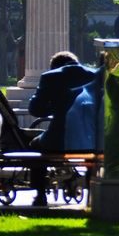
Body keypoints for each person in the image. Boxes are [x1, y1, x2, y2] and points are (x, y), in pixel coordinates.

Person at [28, 51, 98, 205]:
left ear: (54, 66)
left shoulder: (50, 76)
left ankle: (40, 195)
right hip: (90, 140)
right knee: (93, 158)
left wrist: (55, 107)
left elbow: (35, 110)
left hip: (59, 140)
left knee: (34, 146)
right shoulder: (94, 75)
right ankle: (92, 195)